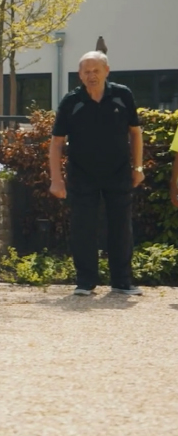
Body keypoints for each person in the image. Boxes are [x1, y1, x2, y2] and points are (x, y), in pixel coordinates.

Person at [49, 51, 143, 296]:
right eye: (86, 71)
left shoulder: (123, 95)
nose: (91, 75)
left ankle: (122, 282)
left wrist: (138, 167)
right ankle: (85, 281)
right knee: (83, 228)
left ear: (106, 71)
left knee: (121, 227)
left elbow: (135, 133)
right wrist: (56, 179)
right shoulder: (71, 101)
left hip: (118, 172)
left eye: (95, 70)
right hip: (82, 174)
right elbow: (57, 142)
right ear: (80, 75)